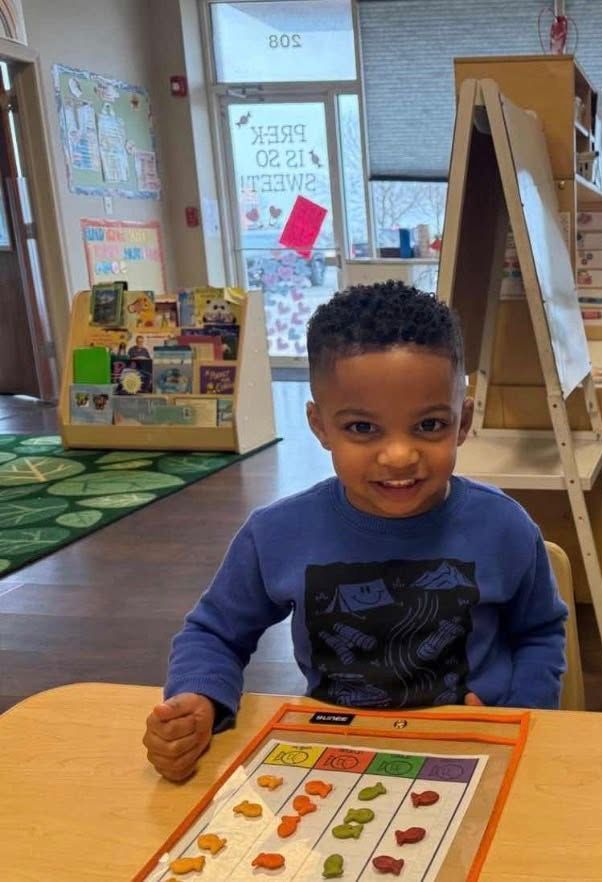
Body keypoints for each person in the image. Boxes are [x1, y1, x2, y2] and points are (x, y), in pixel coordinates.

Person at [144, 282, 568, 780]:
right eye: (363, 429)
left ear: (463, 421)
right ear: (320, 425)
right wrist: (198, 698)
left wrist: (519, 713)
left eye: (429, 425)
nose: (399, 455)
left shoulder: (504, 527)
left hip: (475, 750)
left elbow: (540, 631)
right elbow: (214, 633)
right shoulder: (277, 533)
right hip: (337, 755)